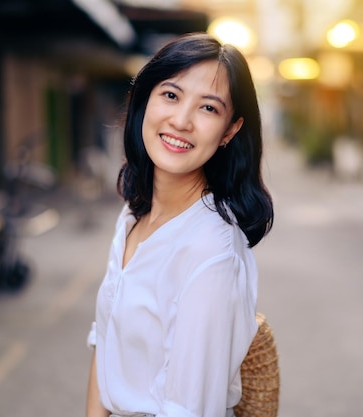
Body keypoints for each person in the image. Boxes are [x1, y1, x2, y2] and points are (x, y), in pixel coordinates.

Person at [86, 32, 274, 417]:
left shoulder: (210, 251)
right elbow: (104, 347)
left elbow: (188, 409)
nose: (181, 121)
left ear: (230, 131)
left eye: (208, 108)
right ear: (145, 100)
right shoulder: (133, 216)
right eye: (171, 95)